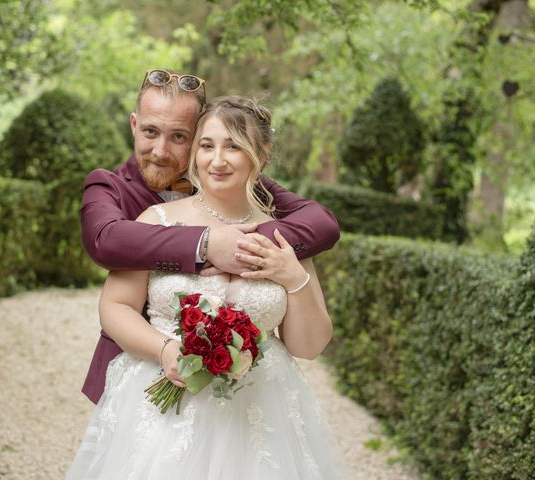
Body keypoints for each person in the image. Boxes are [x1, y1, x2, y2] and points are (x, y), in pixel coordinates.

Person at [66, 96, 351, 479]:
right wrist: (165, 349)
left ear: (261, 154)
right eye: (207, 145)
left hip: (260, 410)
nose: (217, 161)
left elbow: (308, 346)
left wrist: (292, 277)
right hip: (164, 399)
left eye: (233, 146)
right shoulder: (157, 219)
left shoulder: (283, 236)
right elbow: (115, 307)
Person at [80, 69, 340, 404]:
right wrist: (207, 245)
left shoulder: (256, 197)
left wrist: (269, 256)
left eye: (178, 137)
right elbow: (106, 240)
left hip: (257, 400)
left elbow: (322, 223)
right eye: (150, 132)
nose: (160, 151)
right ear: (134, 125)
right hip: (145, 378)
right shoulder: (110, 187)